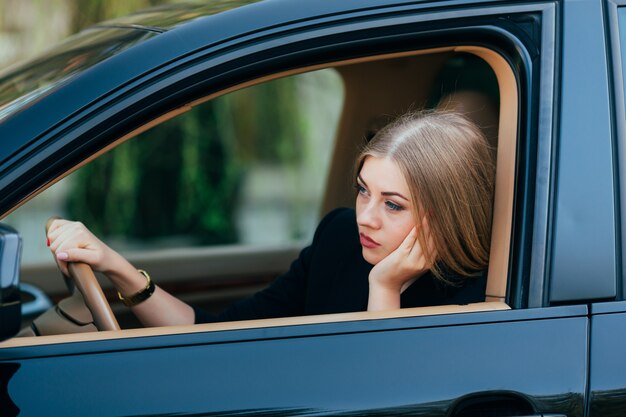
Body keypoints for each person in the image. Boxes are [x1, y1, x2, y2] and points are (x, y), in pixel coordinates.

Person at [46, 109, 495, 327]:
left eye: (392, 204)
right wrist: (118, 268)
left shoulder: (480, 298)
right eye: (363, 192)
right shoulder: (339, 238)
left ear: (442, 217)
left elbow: (387, 397)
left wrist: (385, 288)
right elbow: (216, 334)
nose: (366, 218)